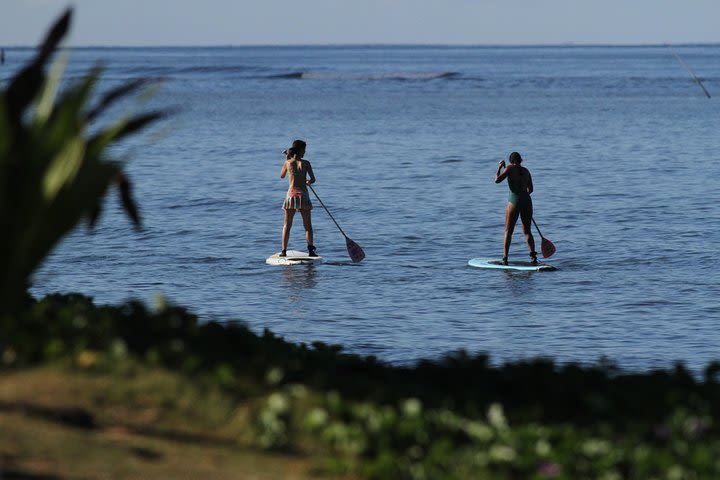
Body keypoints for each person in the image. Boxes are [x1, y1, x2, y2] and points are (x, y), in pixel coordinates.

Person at [495, 151, 537, 265]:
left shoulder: (509, 168)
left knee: (508, 231)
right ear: (520, 160)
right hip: (527, 201)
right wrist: (523, 195)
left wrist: (499, 168)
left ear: (511, 161)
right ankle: (533, 258)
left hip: (514, 201)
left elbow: (497, 180)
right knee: (527, 231)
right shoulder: (526, 171)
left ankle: (505, 258)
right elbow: (531, 189)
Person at [279, 139, 317, 257]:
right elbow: (313, 179)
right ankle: (311, 251)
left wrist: (287, 160)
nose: (305, 152)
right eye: (304, 149)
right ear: (300, 150)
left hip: (291, 196)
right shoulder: (306, 163)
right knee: (307, 226)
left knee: (287, 225)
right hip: (303, 197)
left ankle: (284, 251)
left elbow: (282, 176)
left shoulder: (288, 163)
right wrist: (308, 182)